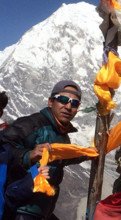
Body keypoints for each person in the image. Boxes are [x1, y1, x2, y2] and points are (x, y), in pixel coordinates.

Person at [1, 80, 86, 220]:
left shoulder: (61, 134)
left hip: (41, 209)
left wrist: (89, 153)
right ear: (50, 102)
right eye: (63, 100)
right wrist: (28, 155)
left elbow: (63, 156)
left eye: (74, 103)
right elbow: (4, 147)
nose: (69, 106)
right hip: (19, 208)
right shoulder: (30, 124)